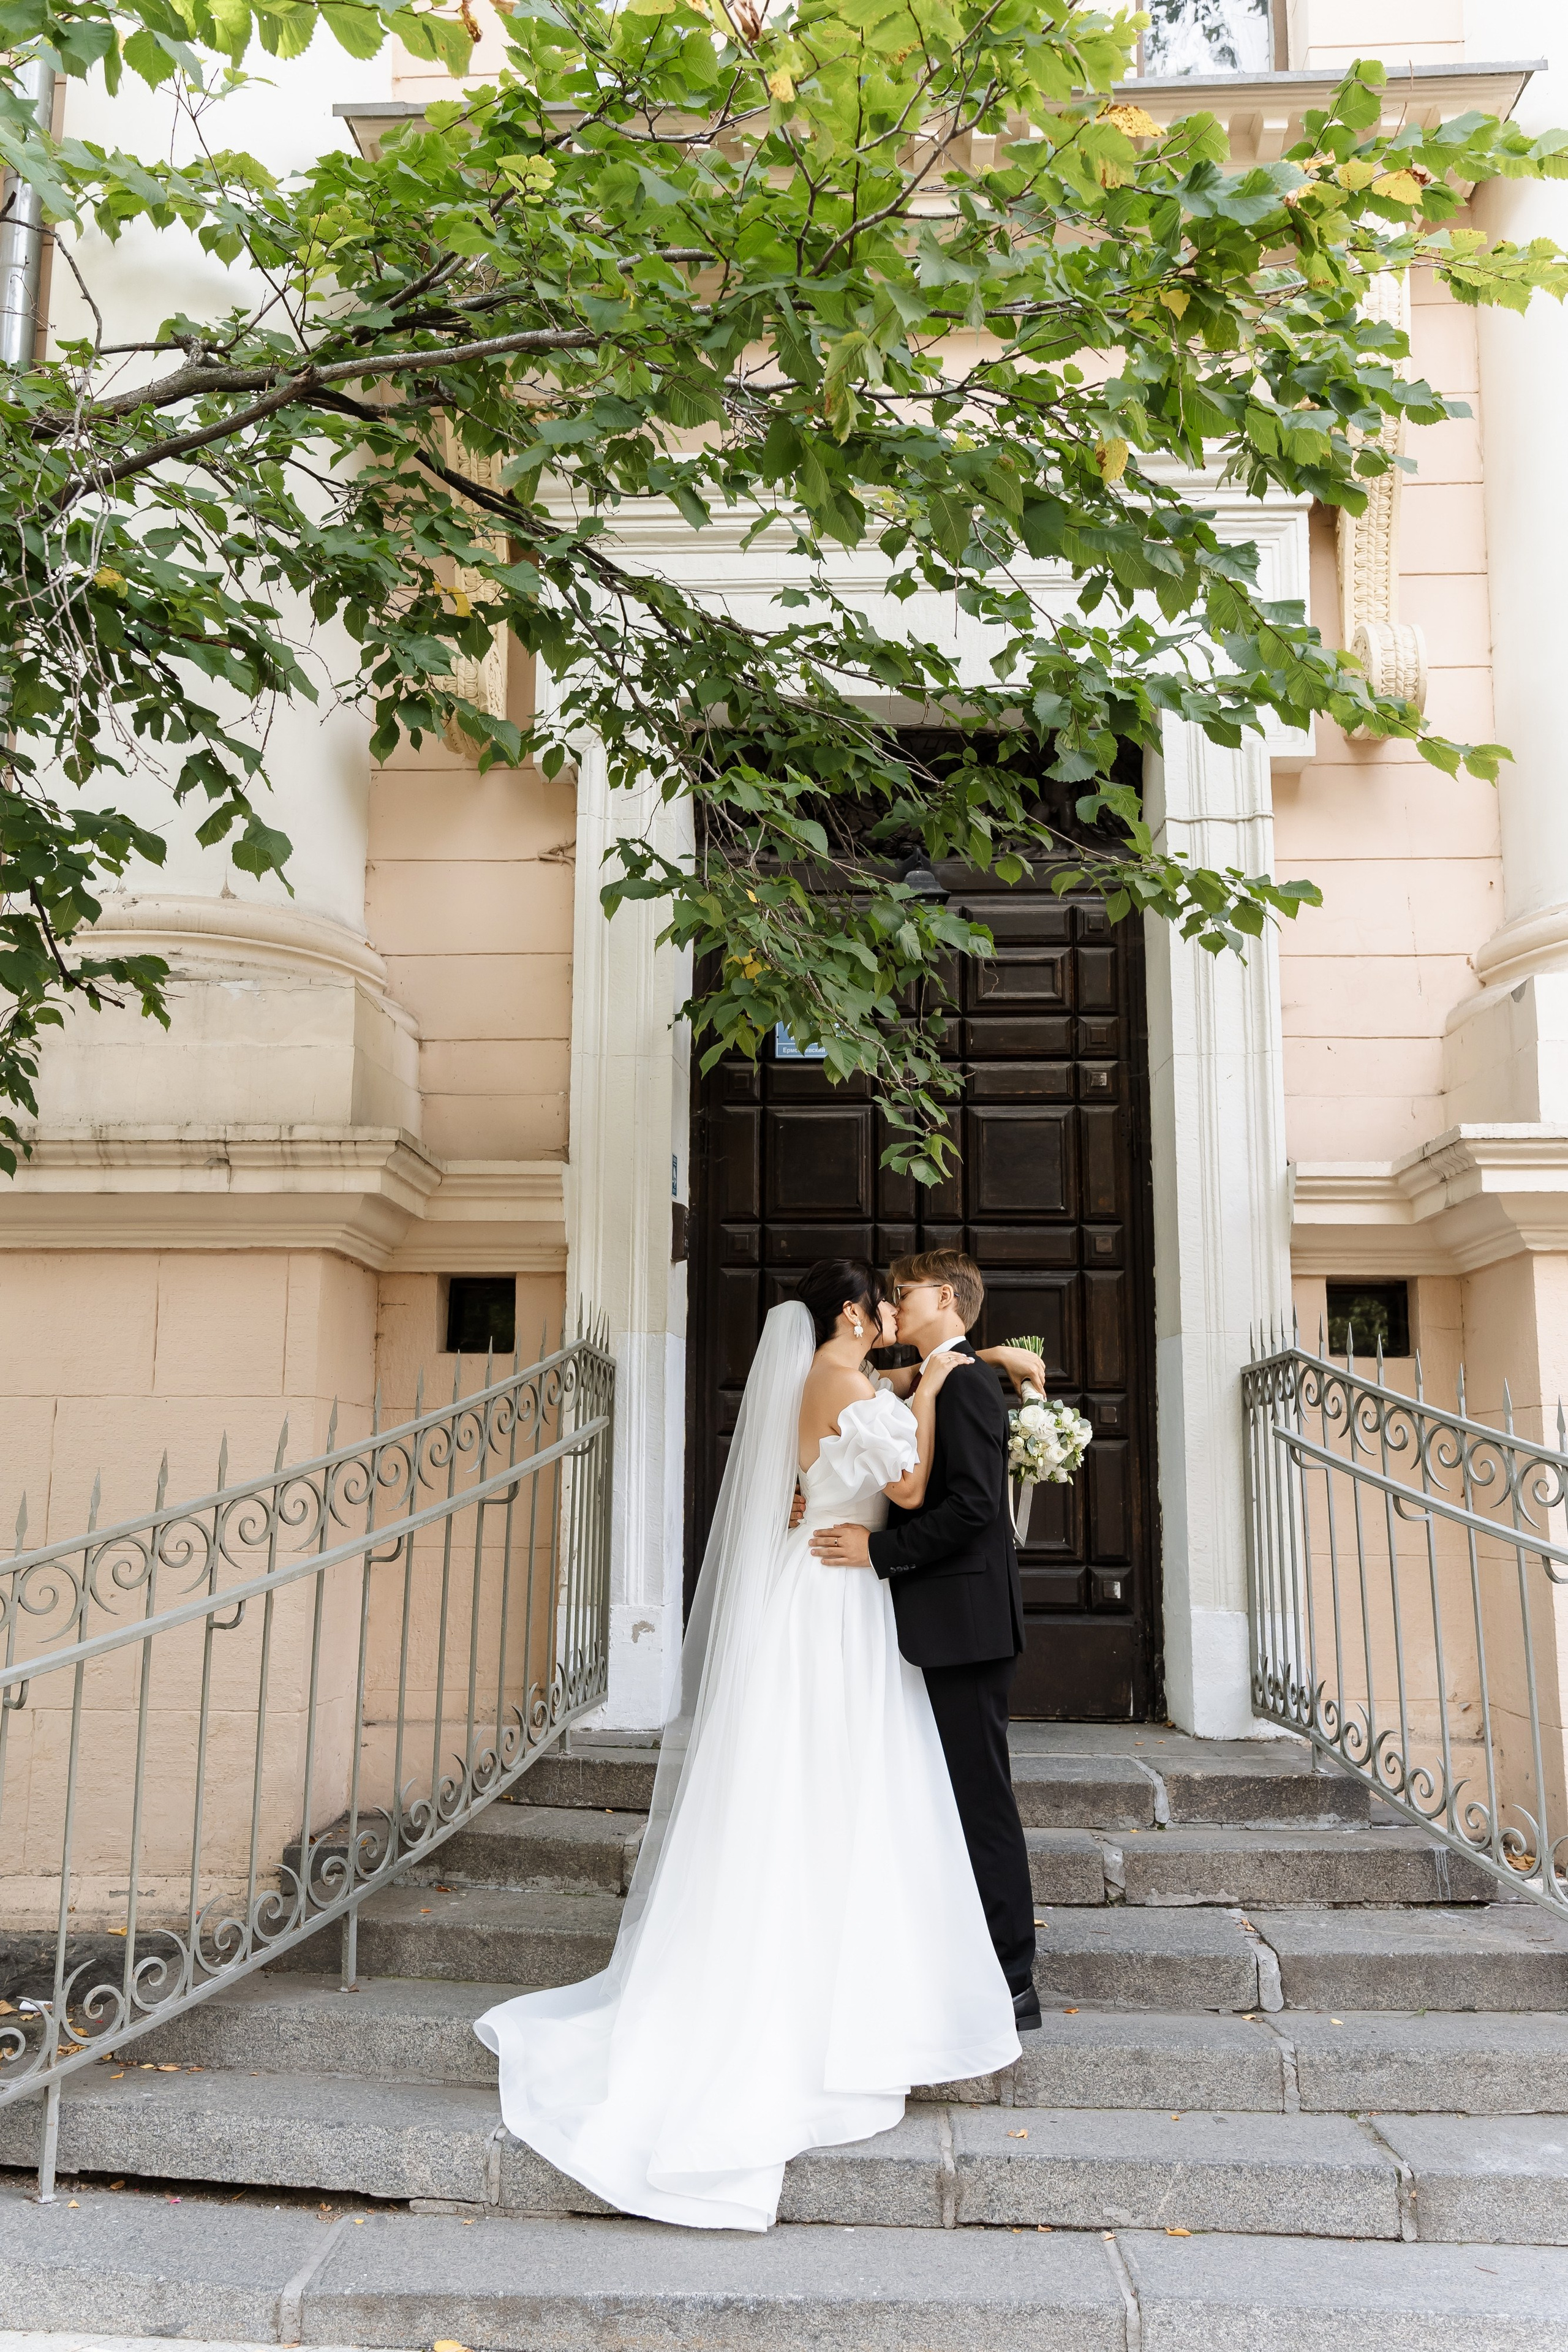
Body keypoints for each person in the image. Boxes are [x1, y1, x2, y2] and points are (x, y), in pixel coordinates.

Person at [474, 1258, 1023, 2232]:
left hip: (827, 1592)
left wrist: (945, 1374)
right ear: (854, 1311)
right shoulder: (848, 1379)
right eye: (883, 1301)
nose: (896, 1312)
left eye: (911, 1299)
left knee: (836, 1786)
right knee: (841, 1781)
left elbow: (838, 1458)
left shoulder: (840, 1376)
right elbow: (905, 1488)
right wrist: (937, 1384)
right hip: (839, 1596)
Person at [809, 1250, 1042, 2033]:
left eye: (903, 1293)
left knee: (980, 1803)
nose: (893, 1305)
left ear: (944, 1296)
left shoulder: (968, 1383)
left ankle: (1012, 1979)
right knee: (941, 1802)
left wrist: (876, 1552)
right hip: (934, 1627)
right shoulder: (950, 1372)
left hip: (966, 1629)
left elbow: (974, 1507)